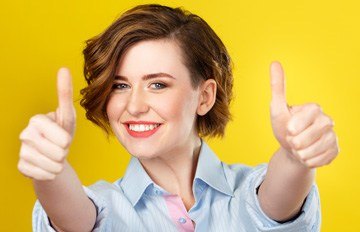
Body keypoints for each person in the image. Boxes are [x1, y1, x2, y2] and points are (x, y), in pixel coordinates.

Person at [18, 4, 339, 232]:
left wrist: (297, 156)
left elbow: (277, 203)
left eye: (157, 84)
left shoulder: (248, 195)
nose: (135, 105)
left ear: (205, 96)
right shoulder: (103, 208)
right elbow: (72, 218)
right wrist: (50, 171)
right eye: (120, 85)